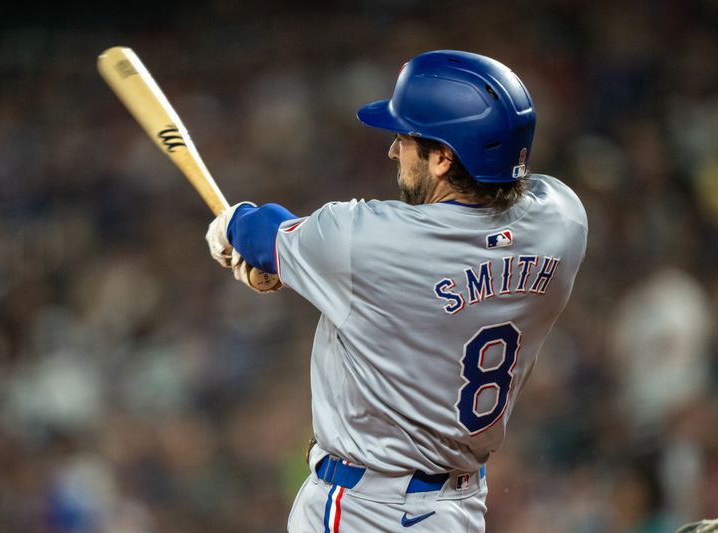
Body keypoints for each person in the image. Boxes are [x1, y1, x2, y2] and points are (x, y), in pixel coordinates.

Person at [206, 50, 587, 532]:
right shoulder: (565, 221)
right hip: (459, 510)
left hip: (367, 509)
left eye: (405, 138)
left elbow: (258, 232)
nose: (393, 150)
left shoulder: (364, 240)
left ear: (445, 157)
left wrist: (231, 229)